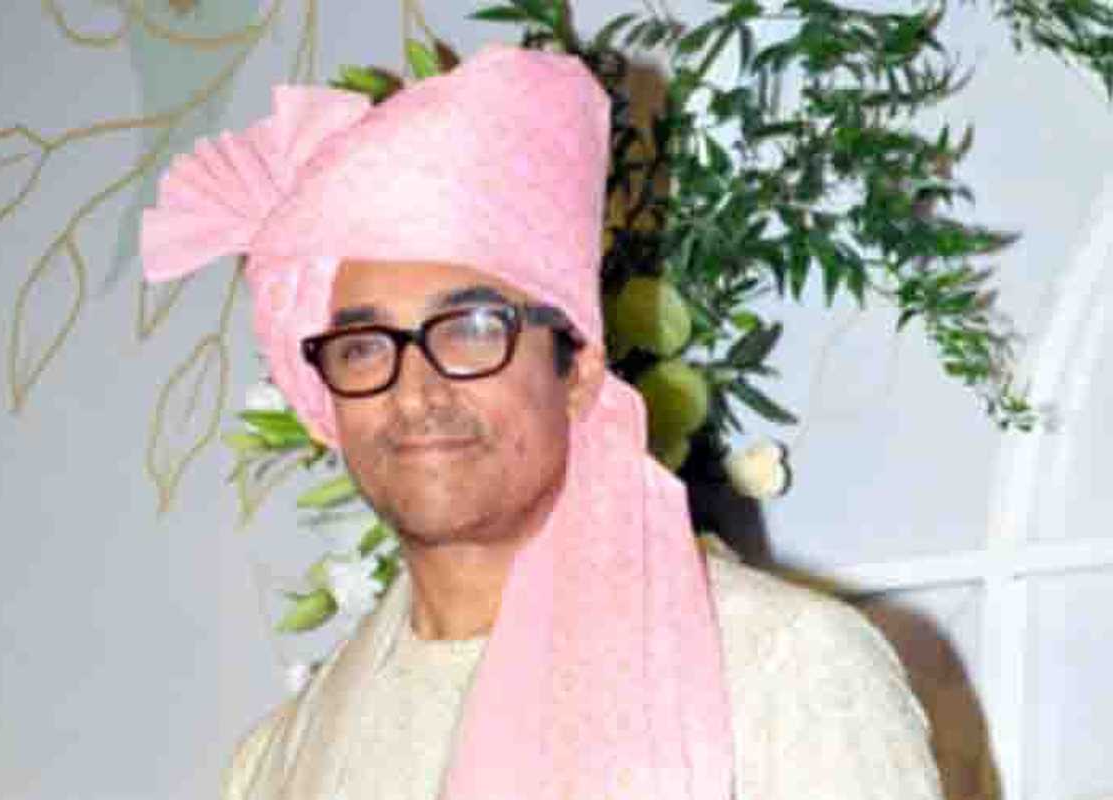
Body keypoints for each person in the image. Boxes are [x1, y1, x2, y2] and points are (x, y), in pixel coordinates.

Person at [142, 44, 945, 800]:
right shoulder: (280, 762)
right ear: (324, 400)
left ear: (579, 371)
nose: (416, 392)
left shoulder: (777, 670)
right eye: (363, 347)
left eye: (472, 330)